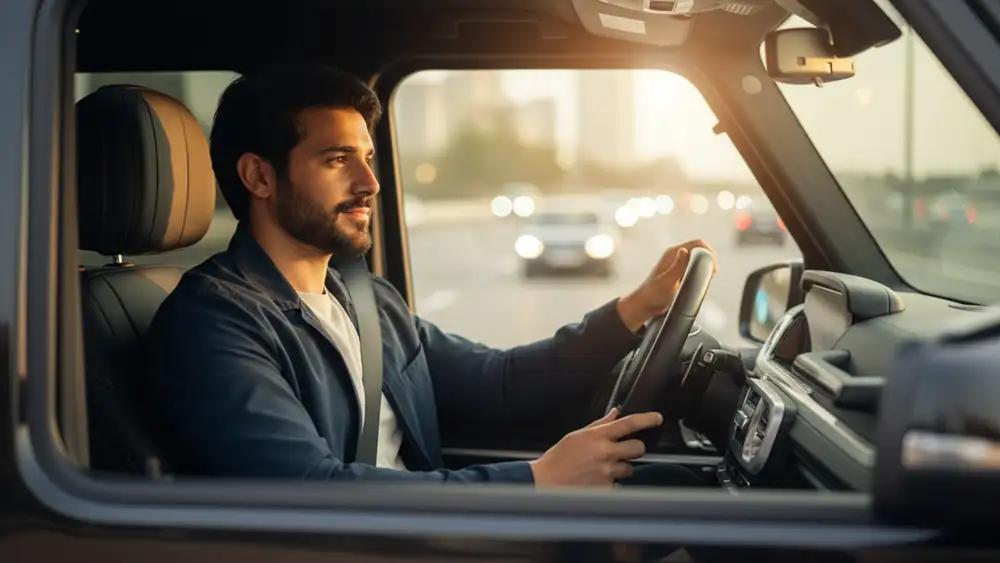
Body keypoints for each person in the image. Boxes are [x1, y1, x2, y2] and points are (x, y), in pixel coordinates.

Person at [143, 66, 718, 488]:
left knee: (685, 492)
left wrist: (636, 308)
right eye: (337, 160)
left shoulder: (365, 299)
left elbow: (499, 383)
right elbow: (311, 491)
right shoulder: (213, 325)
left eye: (368, 159)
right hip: (370, 545)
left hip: (426, 526)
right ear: (260, 178)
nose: (369, 184)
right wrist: (537, 480)